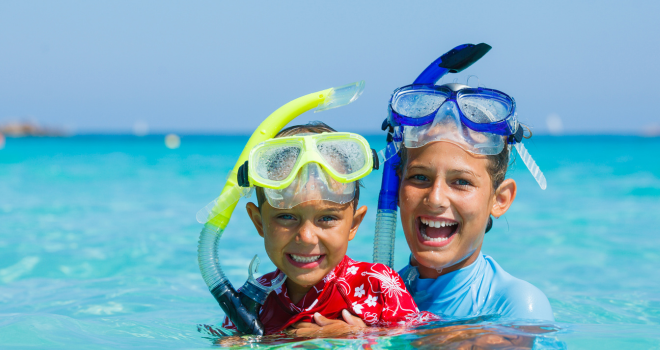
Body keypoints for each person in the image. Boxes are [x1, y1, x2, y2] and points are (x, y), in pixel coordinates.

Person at [220, 122, 436, 335]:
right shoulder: (250, 303)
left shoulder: (377, 285)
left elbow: (422, 338)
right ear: (259, 223)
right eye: (286, 216)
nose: (306, 237)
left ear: (353, 224)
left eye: (326, 218)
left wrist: (359, 337)